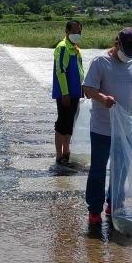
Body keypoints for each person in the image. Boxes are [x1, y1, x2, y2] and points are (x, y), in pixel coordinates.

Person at [82, 27, 132, 235]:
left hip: (124, 127)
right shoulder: (100, 62)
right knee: (98, 170)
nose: (128, 57)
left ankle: (114, 205)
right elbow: (88, 89)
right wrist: (103, 99)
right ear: (117, 43)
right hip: (102, 127)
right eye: (126, 51)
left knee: (121, 169)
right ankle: (94, 210)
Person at [52, 20, 85, 165]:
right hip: (66, 93)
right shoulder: (64, 47)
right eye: (73, 32)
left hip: (75, 92)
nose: (76, 35)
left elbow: (79, 71)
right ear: (66, 32)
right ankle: (59, 156)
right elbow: (61, 71)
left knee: (70, 122)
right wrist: (65, 93)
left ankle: (66, 151)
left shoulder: (75, 48)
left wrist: (83, 88)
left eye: (79, 32)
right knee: (62, 122)